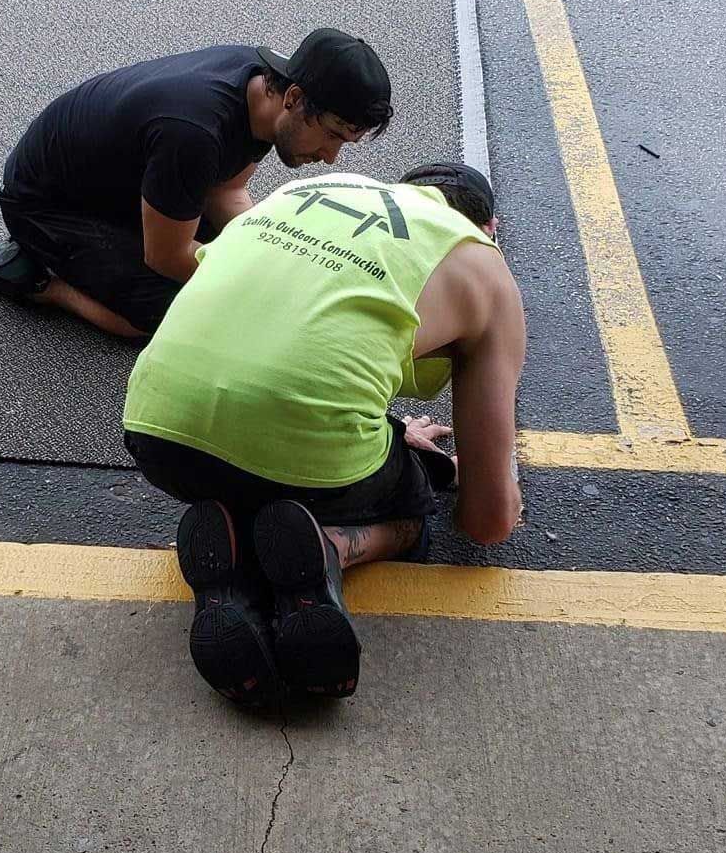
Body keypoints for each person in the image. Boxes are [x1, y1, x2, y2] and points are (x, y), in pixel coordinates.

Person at [122, 161, 526, 706]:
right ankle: (334, 548)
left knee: (271, 461)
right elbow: (488, 521)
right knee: (417, 500)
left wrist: (389, 426)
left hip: (156, 433)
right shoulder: (482, 265)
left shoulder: (305, 192)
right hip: (311, 453)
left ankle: (238, 547)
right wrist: (449, 473)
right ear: (489, 230)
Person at [0, 31, 394, 341]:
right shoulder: (195, 133)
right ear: (295, 97)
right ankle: (43, 283)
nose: (331, 157)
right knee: (172, 316)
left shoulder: (262, 93)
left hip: (123, 181)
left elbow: (225, 190)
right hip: (46, 205)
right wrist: (265, 291)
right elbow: (166, 257)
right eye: (333, 135)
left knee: (241, 252)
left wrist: (279, 254)